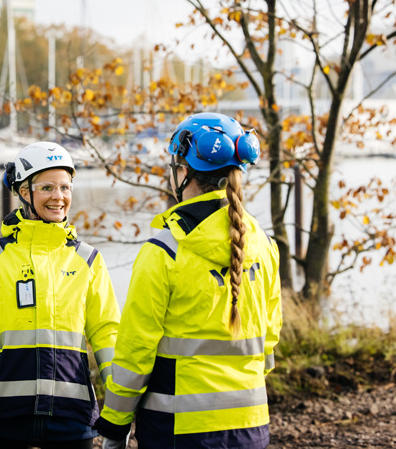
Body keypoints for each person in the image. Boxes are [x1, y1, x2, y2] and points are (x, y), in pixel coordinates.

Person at [95, 112, 283, 449]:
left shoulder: (164, 252)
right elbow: (268, 343)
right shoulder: (264, 246)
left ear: (182, 173)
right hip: (251, 427)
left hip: (176, 429)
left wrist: (115, 424)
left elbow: (135, 352)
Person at [0, 142, 121, 449]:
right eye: (47, 187)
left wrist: (119, 406)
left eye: (65, 187)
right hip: (5, 416)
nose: (58, 197)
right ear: (24, 192)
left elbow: (106, 334)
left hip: (73, 417)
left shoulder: (87, 259)